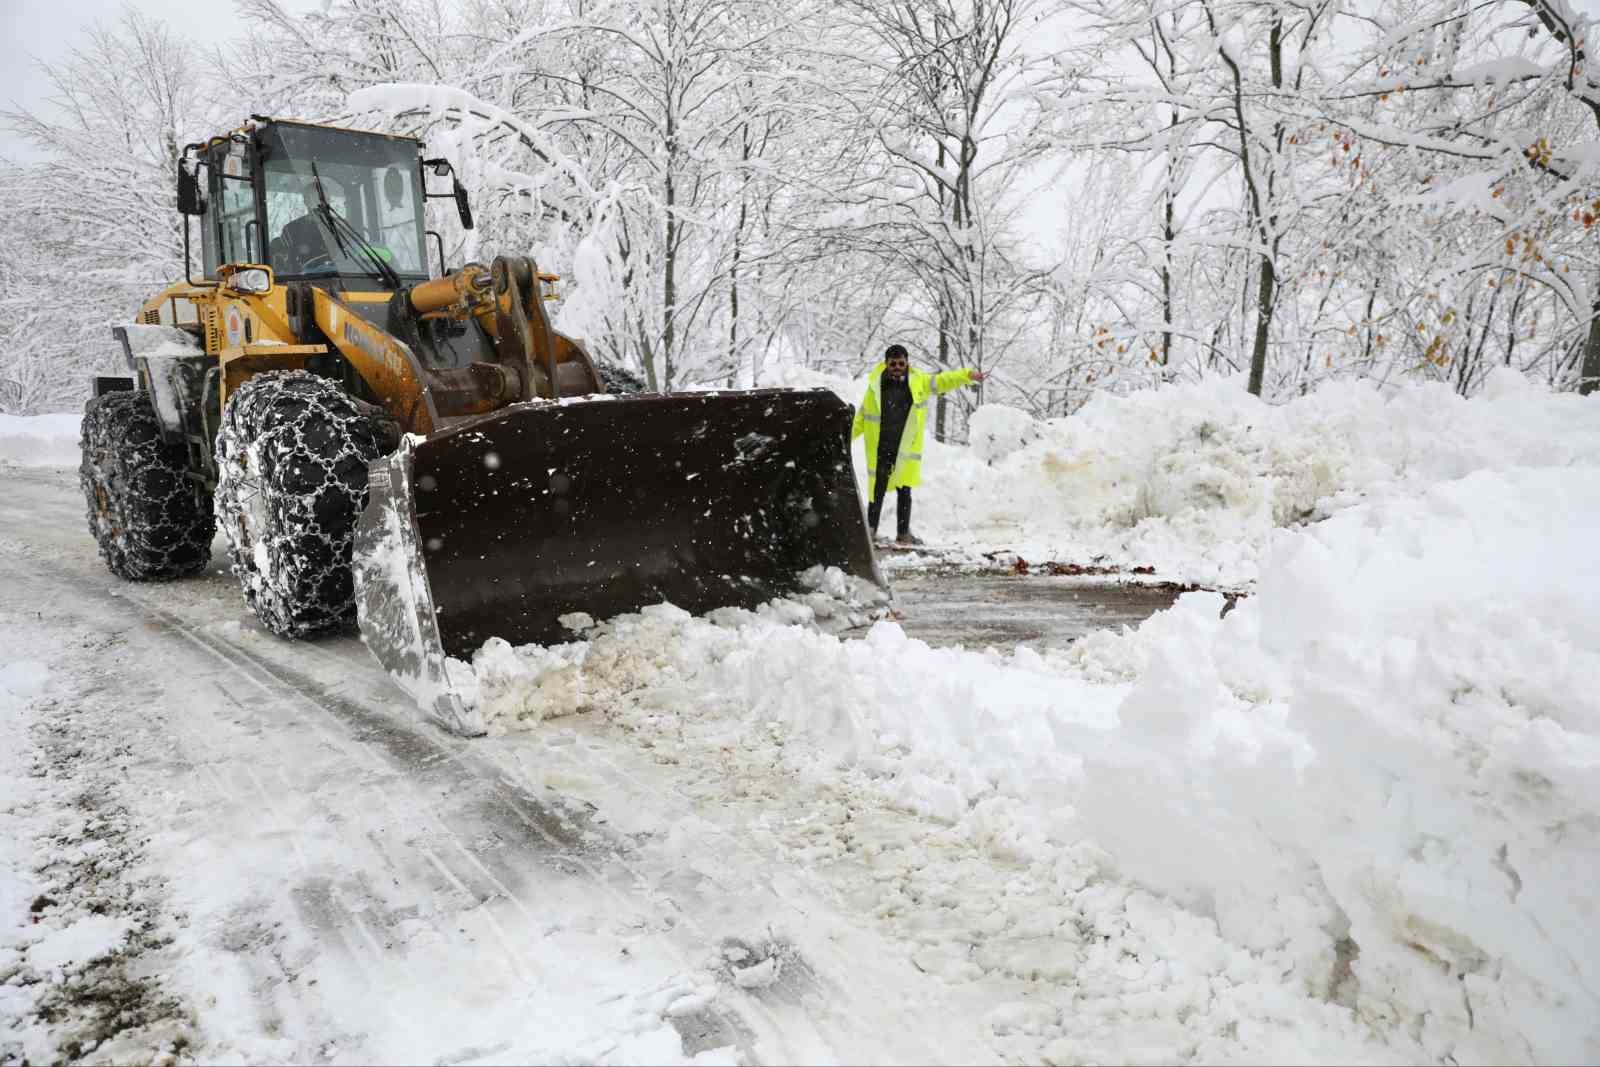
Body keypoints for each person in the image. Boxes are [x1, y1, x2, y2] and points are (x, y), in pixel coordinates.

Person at [851, 343, 985, 545]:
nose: (897, 367)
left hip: (905, 449)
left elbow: (942, 381)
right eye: (893, 363)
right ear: (886, 364)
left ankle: (903, 534)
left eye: (901, 363)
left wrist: (966, 375)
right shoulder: (875, 386)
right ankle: (870, 531)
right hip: (881, 446)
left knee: (904, 490)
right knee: (876, 490)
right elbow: (862, 417)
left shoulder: (919, 381)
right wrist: (845, 435)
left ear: (907, 363)